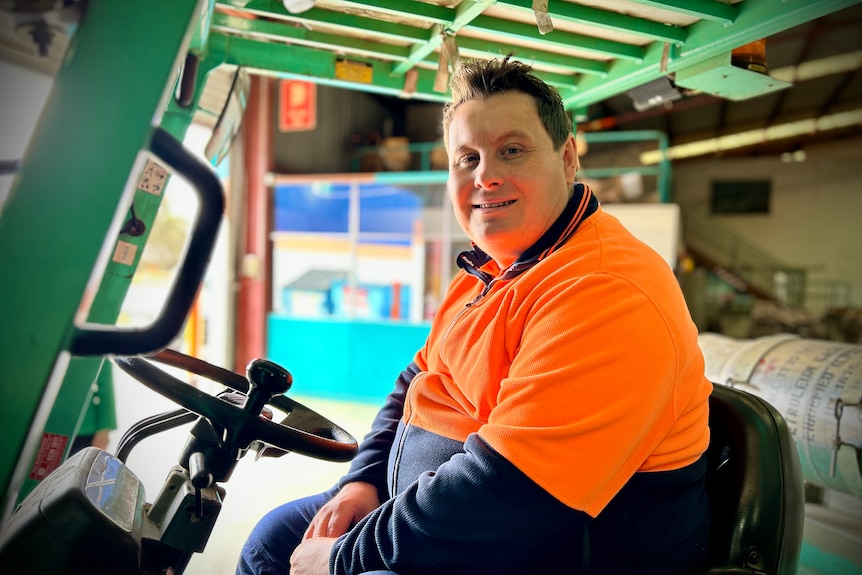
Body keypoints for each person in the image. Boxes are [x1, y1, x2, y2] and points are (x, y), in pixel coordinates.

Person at [238, 55, 712, 575]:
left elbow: (513, 495)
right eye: (467, 158)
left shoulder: (604, 291)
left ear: (567, 158)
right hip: (449, 521)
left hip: (543, 550)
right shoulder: (490, 269)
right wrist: (364, 480)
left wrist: (344, 558)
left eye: (512, 150)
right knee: (273, 542)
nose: (486, 175)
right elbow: (418, 380)